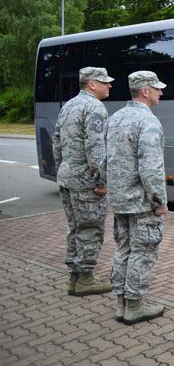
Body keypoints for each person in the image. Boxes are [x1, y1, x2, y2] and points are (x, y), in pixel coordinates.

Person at [106, 70, 168, 325]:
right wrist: (159, 201)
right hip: (141, 202)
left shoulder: (115, 118)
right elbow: (151, 167)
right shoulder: (149, 121)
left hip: (120, 199)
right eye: (157, 89)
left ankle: (121, 305)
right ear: (145, 91)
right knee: (143, 252)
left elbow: (104, 159)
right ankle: (134, 307)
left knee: (123, 250)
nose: (160, 93)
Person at [52, 66, 114, 297]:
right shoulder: (95, 107)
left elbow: (56, 142)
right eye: (105, 82)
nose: (109, 85)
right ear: (91, 84)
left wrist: (63, 169)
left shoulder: (68, 106)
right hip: (86, 183)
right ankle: (86, 279)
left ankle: (75, 277)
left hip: (67, 178)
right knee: (90, 228)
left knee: (75, 228)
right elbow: (96, 147)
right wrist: (101, 181)